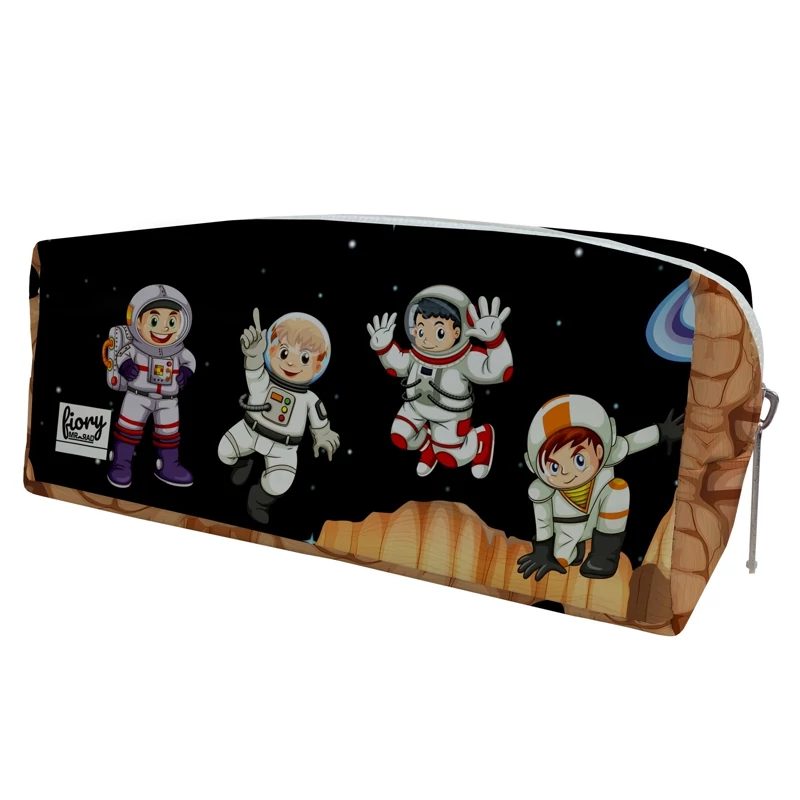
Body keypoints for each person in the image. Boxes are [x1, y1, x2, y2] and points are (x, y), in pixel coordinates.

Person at [516, 394, 684, 580]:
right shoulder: (542, 491)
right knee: (561, 560)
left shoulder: (610, 454)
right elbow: (544, 522)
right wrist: (543, 552)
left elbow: (632, 442)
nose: (567, 473)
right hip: (566, 532)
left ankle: (604, 555)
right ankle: (576, 551)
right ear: (537, 467)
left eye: (579, 460)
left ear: (599, 450)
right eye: (554, 467)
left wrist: (661, 431)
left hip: (599, 523)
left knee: (618, 489)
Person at [367, 285, 513, 479]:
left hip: (450, 416)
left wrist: (495, 341)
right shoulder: (415, 356)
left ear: (458, 331)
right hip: (415, 407)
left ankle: (480, 438)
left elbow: (500, 372)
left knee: (450, 458)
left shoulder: (465, 360)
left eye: (439, 333)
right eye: (421, 331)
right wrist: (384, 347)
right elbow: (396, 366)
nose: (427, 340)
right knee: (400, 436)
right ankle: (428, 446)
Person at [218, 309, 340, 524]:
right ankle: (243, 463)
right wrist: (253, 355)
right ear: (272, 350)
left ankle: (258, 500)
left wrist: (323, 435)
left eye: (304, 358)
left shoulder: (309, 399)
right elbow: (254, 373)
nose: (291, 363)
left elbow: (320, 422)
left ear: (318, 366)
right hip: (249, 431)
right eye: (284, 353)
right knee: (224, 452)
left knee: (280, 483)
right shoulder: (264, 382)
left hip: (284, 449)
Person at [107, 284, 196, 488]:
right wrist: (126, 367)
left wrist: (185, 373)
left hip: (168, 401)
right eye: (154, 321)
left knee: (169, 434)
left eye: (172, 322)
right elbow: (121, 356)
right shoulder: (134, 348)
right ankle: (121, 463)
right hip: (137, 396)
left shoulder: (179, 351)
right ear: (137, 322)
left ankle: (169, 465)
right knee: (128, 429)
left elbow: (190, 362)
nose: (163, 329)